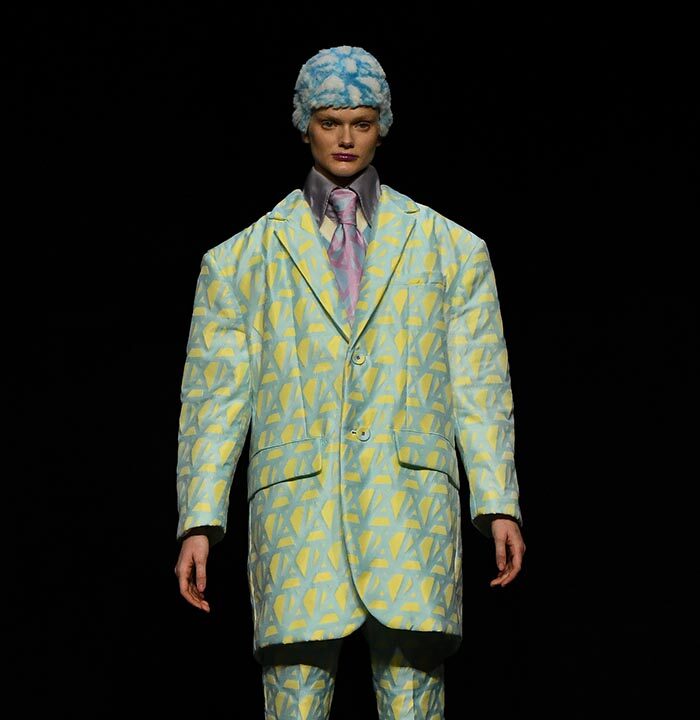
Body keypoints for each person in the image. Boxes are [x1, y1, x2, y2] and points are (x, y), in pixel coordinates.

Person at [174, 45, 525, 719]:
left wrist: (499, 501)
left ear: (382, 126)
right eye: (330, 121)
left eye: (361, 122)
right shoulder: (239, 261)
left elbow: (480, 384)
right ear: (304, 124)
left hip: (410, 510)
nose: (345, 138)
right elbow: (214, 399)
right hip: (297, 513)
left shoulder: (452, 250)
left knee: (414, 705)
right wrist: (200, 520)